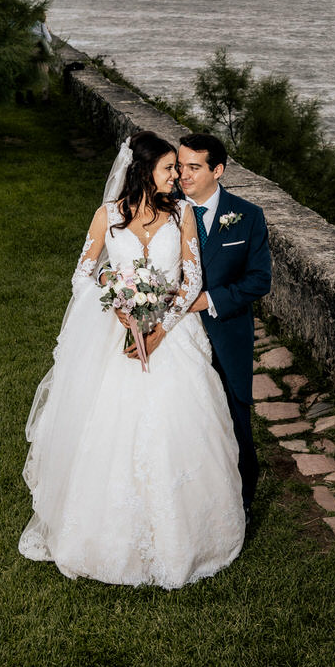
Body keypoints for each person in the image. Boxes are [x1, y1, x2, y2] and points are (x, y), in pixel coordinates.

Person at [17, 130, 245, 589]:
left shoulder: (181, 213)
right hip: (116, 333)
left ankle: (186, 538)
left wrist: (160, 328)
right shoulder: (107, 216)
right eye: (168, 168)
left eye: (179, 169)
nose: (177, 176)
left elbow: (192, 277)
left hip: (172, 332)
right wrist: (117, 302)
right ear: (144, 171)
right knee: (106, 427)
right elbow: (84, 271)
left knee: (175, 425)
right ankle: (98, 537)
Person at [137, 133, 271, 523]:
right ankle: (186, 506)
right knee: (179, 421)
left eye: (194, 167)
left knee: (235, 420)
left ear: (218, 170)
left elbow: (259, 281)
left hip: (226, 334)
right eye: (179, 166)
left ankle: (241, 506)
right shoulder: (163, 209)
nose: (183, 175)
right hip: (173, 336)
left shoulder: (248, 216)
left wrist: (206, 300)